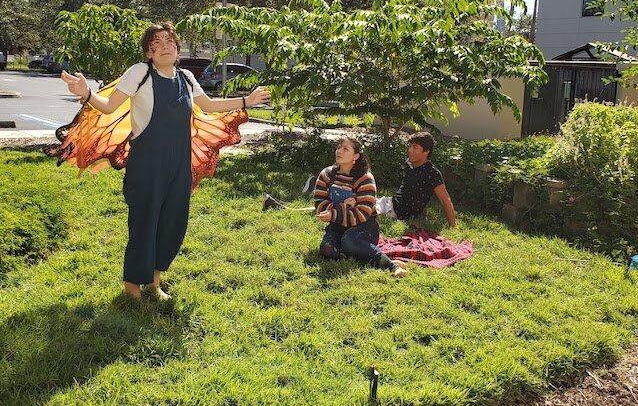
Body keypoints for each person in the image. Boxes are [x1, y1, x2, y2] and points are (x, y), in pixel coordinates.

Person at [60, 22, 270, 301]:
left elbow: (207, 106)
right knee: (144, 222)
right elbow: (110, 107)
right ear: (148, 52)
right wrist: (86, 93)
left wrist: (247, 100)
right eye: (156, 43)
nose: (164, 46)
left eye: (170, 41)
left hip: (179, 164)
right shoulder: (140, 73)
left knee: (172, 222)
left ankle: (154, 284)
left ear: (177, 49)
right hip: (146, 164)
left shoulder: (185, 77)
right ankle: (132, 289)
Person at [314, 137, 407, 278]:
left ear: (356, 156)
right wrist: (344, 206)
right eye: (338, 147)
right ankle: (371, 257)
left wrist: (334, 213)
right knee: (327, 250)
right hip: (337, 226)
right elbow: (320, 205)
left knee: (348, 241)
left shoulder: (365, 179)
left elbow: (362, 214)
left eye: (345, 148)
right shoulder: (326, 174)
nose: (339, 151)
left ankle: (391, 265)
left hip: (363, 227)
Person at [376, 132, 456, 227]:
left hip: (394, 212)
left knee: (364, 211)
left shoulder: (432, 173)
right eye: (409, 146)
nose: (410, 150)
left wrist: (453, 226)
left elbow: (445, 201)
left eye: (415, 147)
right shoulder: (409, 164)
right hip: (390, 203)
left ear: (426, 151)